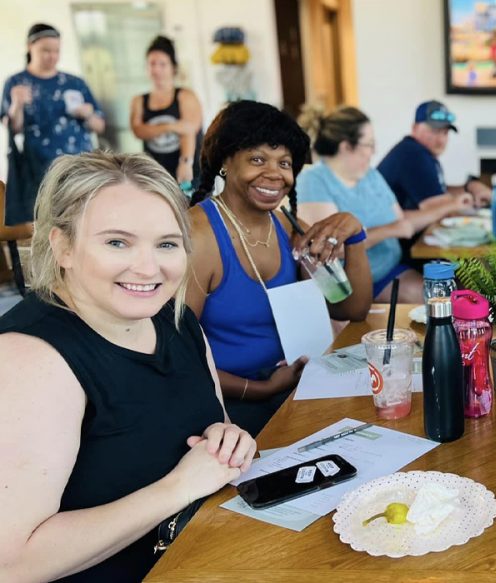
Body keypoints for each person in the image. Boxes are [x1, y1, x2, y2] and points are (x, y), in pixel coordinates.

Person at [0, 151, 256, 581]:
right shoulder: (30, 358)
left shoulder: (176, 322)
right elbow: (12, 562)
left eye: (167, 244)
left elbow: (218, 430)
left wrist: (228, 440)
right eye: (117, 242)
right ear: (62, 246)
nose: (148, 267)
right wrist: (179, 487)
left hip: (208, 555)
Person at [187, 101, 373, 435]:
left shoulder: (287, 227)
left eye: (284, 163)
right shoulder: (200, 235)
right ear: (225, 162)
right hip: (229, 405)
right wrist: (264, 389)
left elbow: (352, 308)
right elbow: (179, 359)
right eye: (257, 159)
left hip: (296, 386)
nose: (275, 173)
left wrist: (355, 234)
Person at [297, 106, 469, 302]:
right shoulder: (314, 180)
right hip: (358, 284)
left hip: (394, 268)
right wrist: (389, 230)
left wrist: (452, 205)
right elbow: (330, 248)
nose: (374, 151)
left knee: (462, 289)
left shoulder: (369, 175)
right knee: (444, 302)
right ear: (346, 147)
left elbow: (403, 222)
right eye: (369, 144)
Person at [1, 23, 105, 226]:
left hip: (80, 166)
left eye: (56, 51)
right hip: (39, 170)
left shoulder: (74, 82)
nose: (52, 56)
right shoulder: (17, 82)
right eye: (45, 51)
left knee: (84, 221)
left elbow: (99, 126)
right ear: (29, 47)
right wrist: (16, 105)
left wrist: (87, 114)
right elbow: (14, 128)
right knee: (47, 223)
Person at [378, 100, 490, 212]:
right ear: (415, 128)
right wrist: (473, 201)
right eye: (435, 131)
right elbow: (435, 207)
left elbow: (437, 192)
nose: (441, 140)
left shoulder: (417, 151)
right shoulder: (413, 154)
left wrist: (470, 187)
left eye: (445, 133)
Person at [130, 35, 203, 186]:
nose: (156, 69)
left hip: (190, 172)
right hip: (157, 176)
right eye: (152, 64)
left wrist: (186, 162)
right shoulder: (139, 100)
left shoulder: (185, 96)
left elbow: (190, 130)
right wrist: (171, 126)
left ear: (173, 68)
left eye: (162, 64)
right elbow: (138, 131)